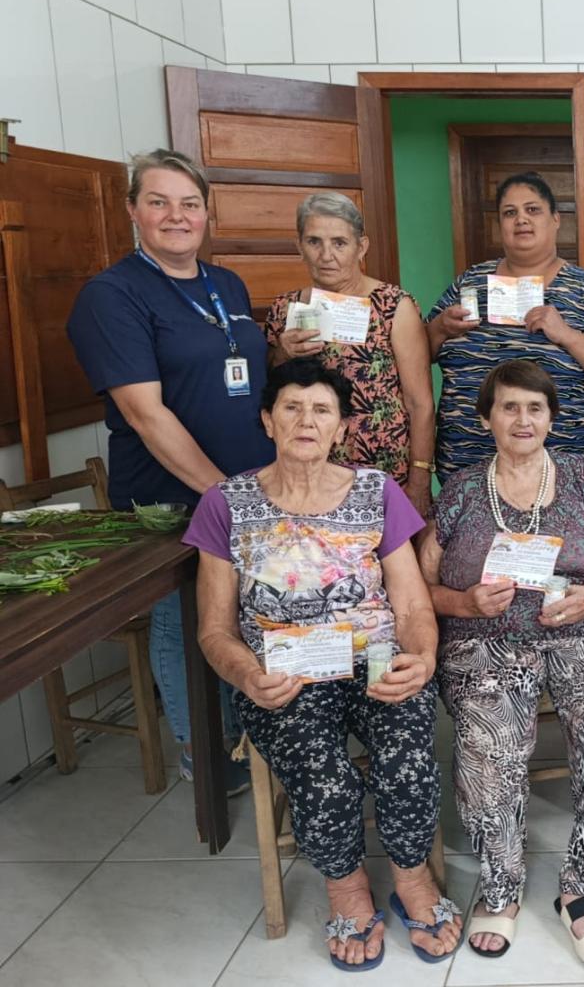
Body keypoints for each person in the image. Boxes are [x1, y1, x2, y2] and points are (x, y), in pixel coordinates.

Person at [186, 359, 456, 971]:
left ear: (341, 427)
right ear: (267, 420)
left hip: (376, 655)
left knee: (407, 756)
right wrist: (247, 676)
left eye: (322, 410)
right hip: (283, 670)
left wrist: (421, 658)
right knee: (321, 770)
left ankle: (412, 878)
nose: (306, 421)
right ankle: (347, 888)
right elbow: (214, 630)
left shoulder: (376, 491)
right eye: (292, 408)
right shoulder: (225, 504)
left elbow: (413, 604)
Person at [419, 360, 584, 972]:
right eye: (509, 407)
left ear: (551, 418)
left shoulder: (581, 475)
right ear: (486, 418)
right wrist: (466, 602)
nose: (523, 420)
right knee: (488, 746)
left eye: (535, 408)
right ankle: (500, 883)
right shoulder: (462, 490)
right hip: (488, 639)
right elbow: (418, 587)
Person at [66, 148, 274, 793]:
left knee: (243, 612)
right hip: (171, 496)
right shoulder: (112, 296)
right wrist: (224, 494)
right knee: (182, 617)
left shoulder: (226, 284)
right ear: (133, 211)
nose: (176, 216)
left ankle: (249, 734)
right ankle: (201, 750)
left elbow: (239, 374)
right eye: (158, 202)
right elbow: (145, 413)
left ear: (207, 213)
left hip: (248, 484)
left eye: (189, 204)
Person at [426, 172, 584, 477]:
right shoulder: (469, 283)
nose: (521, 219)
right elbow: (416, 354)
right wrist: (439, 329)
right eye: (509, 212)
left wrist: (567, 335)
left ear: (555, 219)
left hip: (568, 476)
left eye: (532, 209)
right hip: (470, 472)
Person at [264, 192, 436, 517]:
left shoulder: (392, 306)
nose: (326, 255)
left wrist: (420, 479)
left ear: (361, 247)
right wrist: (283, 353)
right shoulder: (285, 309)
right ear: (299, 246)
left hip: (384, 473)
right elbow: (271, 388)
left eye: (340, 243)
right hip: (307, 472)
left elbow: (420, 403)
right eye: (314, 242)